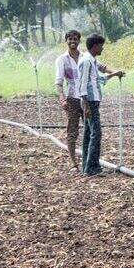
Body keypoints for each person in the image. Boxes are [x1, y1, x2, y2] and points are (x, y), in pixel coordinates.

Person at [76, 34, 125, 176]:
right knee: (96, 134)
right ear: (95, 46)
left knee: (88, 134)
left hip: (91, 101)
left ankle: (87, 167)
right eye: (101, 45)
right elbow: (83, 84)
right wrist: (85, 105)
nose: (102, 48)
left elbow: (98, 79)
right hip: (89, 101)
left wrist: (115, 74)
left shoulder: (91, 60)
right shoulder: (86, 61)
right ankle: (92, 168)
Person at [55, 30, 84, 171]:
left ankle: (89, 160)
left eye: (75, 39)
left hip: (86, 98)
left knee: (90, 130)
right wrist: (62, 99)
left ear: (79, 41)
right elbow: (59, 82)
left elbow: (99, 67)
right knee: (72, 131)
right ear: (66, 41)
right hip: (72, 99)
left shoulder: (85, 57)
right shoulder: (62, 59)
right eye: (70, 39)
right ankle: (74, 163)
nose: (73, 41)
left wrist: (113, 72)